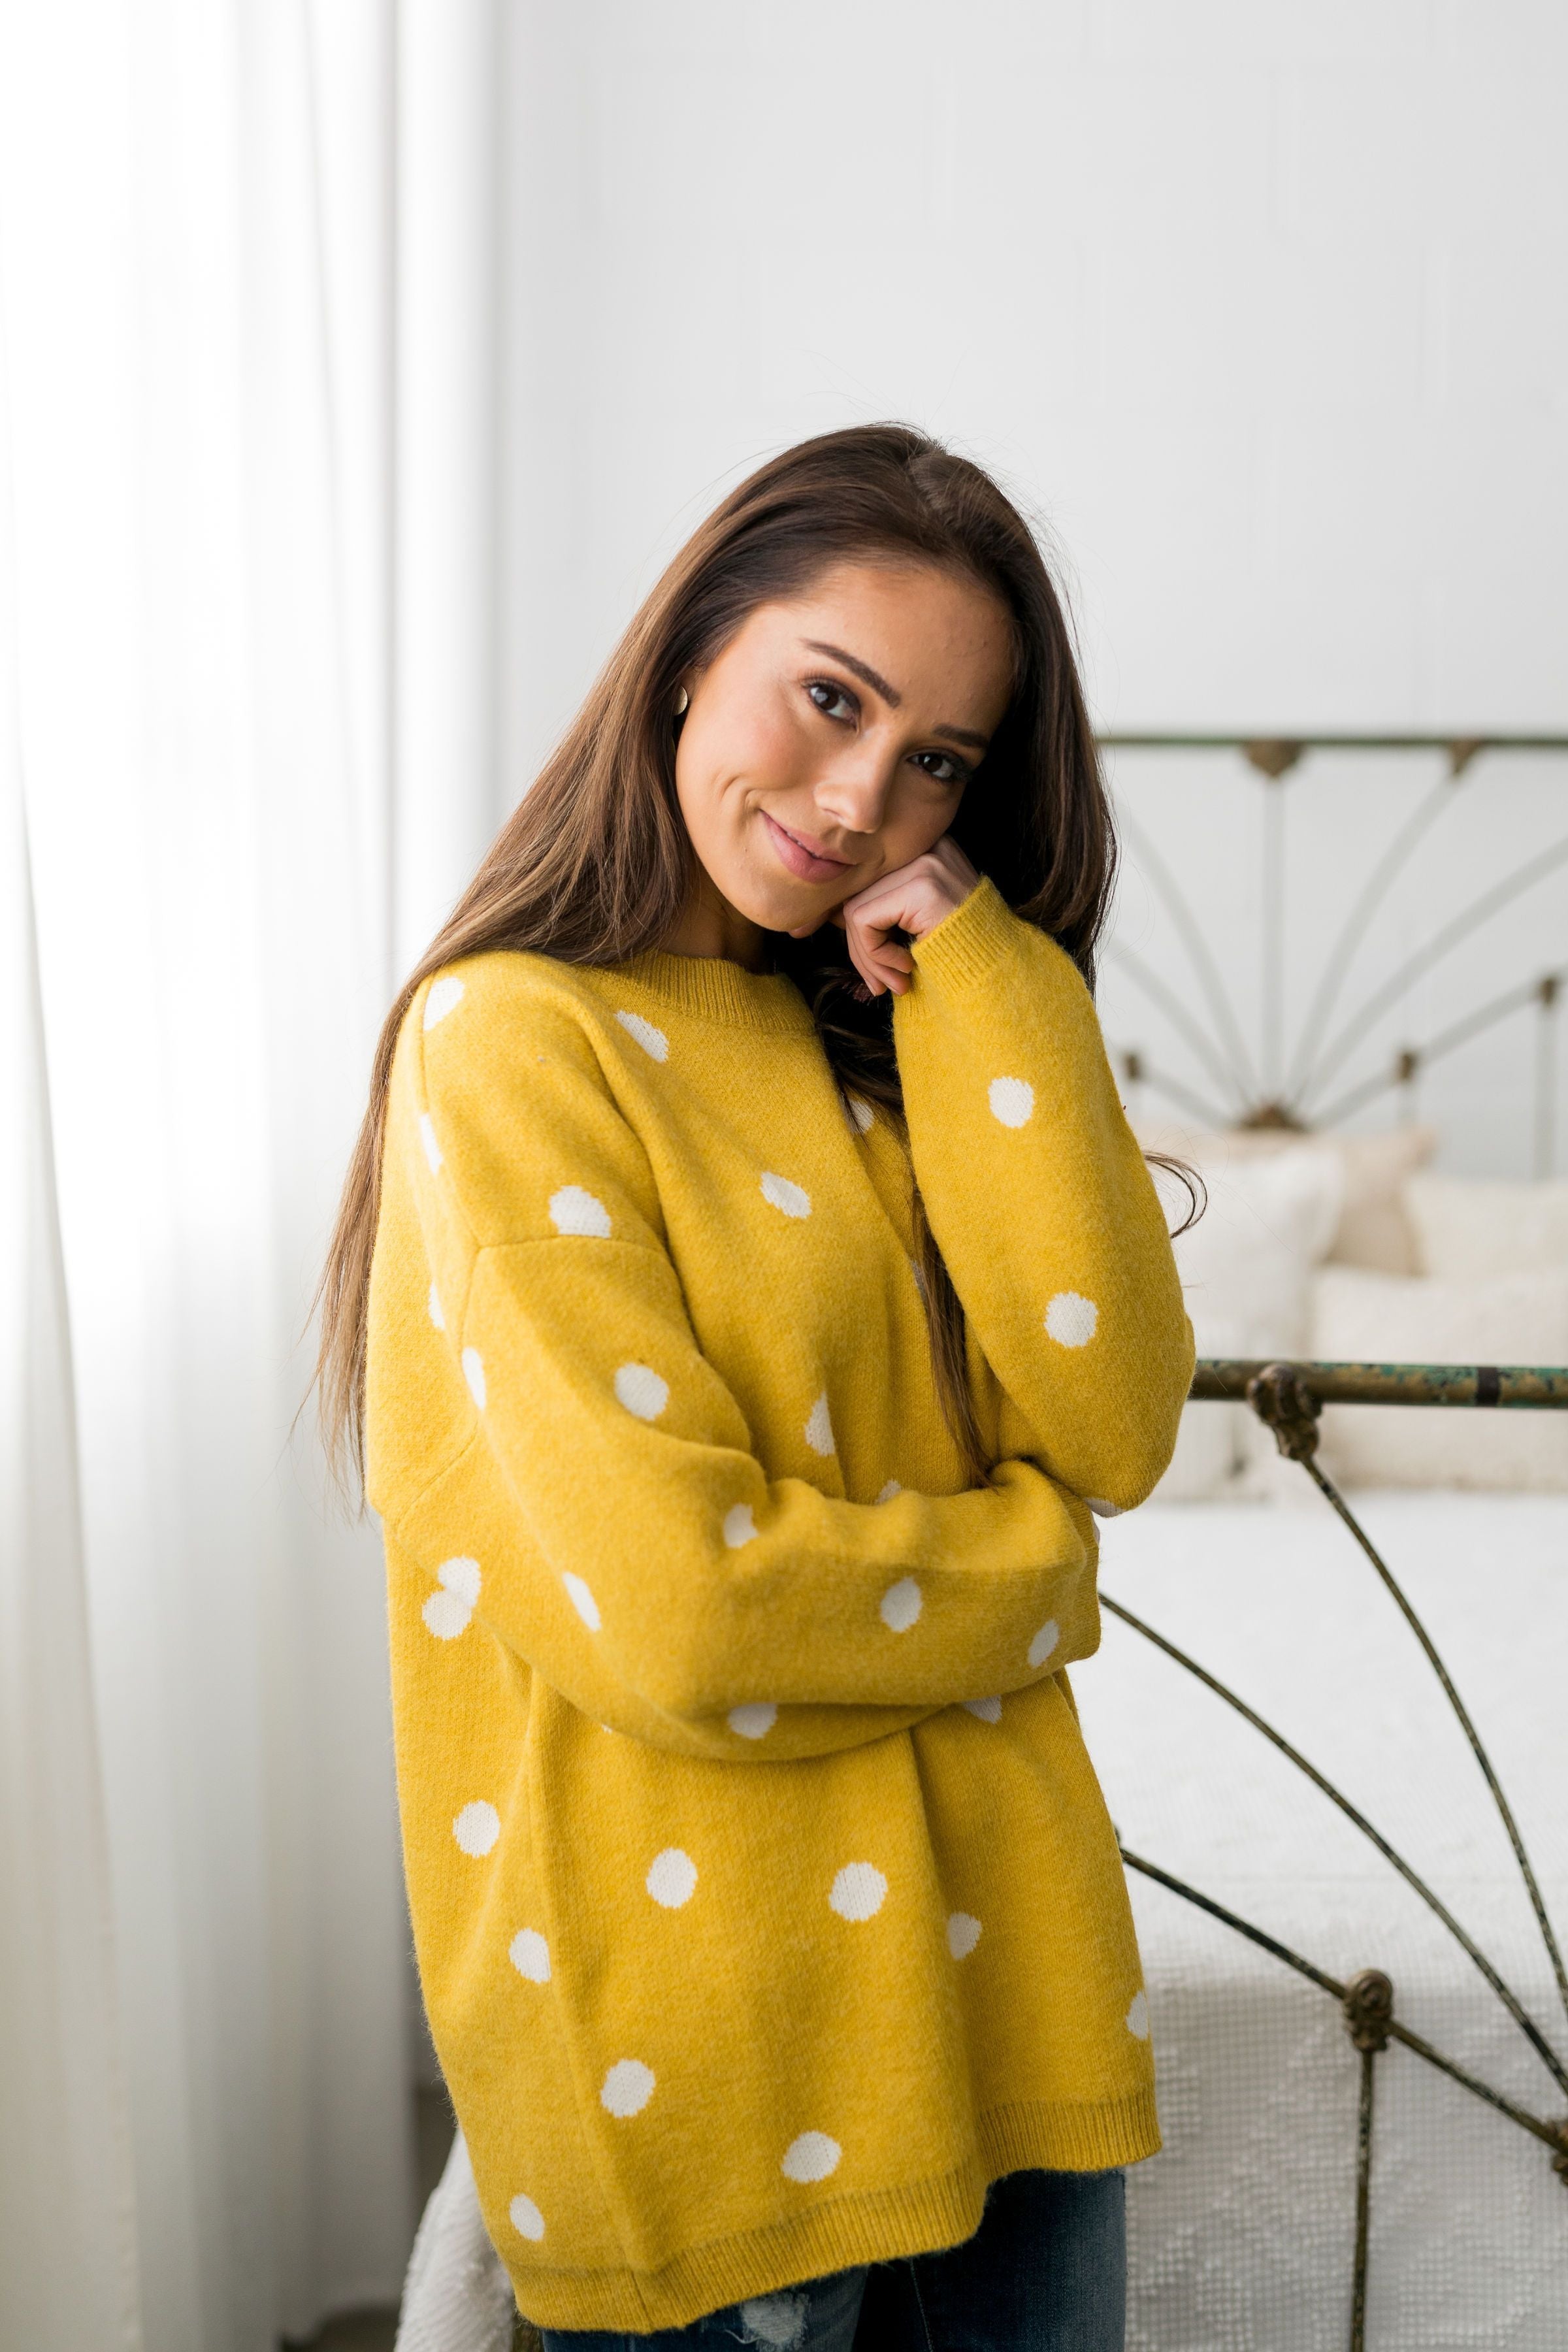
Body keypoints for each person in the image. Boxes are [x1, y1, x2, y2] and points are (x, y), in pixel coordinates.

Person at [316, 424, 1195, 2351]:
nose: (861, 795)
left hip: (1014, 1978)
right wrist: (1030, 1586)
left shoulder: (905, 1045)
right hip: (710, 2029)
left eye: (938, 760)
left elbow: (1119, 1423)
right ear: (693, 645)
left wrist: (996, 984)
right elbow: (690, 1608)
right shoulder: (511, 1042)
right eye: (829, 697)